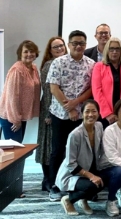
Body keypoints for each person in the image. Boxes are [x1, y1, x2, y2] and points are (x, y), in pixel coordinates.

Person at [46, 30, 95, 201]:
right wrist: (70, 108)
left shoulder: (91, 64)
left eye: (82, 43)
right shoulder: (58, 62)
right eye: (75, 43)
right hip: (60, 114)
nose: (78, 46)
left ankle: (78, 185)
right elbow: (54, 88)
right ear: (69, 44)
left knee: (80, 152)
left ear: (86, 44)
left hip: (82, 115)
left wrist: (76, 103)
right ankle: (54, 186)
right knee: (58, 150)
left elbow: (91, 89)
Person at [56, 100, 121, 216]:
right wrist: (91, 176)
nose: (90, 114)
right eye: (87, 111)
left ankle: (83, 199)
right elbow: (71, 164)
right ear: (82, 114)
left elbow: (104, 149)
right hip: (73, 174)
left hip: (92, 168)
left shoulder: (99, 126)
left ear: (99, 113)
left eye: (94, 111)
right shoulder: (75, 135)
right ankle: (68, 199)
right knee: (93, 185)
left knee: (114, 174)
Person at [36, 36, 67, 192]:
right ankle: (47, 180)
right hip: (50, 111)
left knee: (55, 146)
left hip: (59, 111)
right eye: (55, 47)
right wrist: (49, 114)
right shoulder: (49, 65)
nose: (60, 49)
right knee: (48, 146)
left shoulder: (65, 62)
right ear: (50, 50)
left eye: (61, 46)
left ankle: (51, 179)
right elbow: (48, 92)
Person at [0, 40, 40, 143]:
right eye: (26, 51)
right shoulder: (17, 70)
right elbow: (12, 97)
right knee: (14, 151)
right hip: (11, 117)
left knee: (19, 148)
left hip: (21, 115)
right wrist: (15, 119)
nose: (29, 54)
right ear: (20, 54)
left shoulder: (33, 68)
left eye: (32, 51)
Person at [92, 37, 121, 129]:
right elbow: (97, 91)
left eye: (117, 49)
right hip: (105, 115)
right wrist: (107, 113)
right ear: (107, 50)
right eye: (111, 49)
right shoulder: (99, 66)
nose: (114, 52)